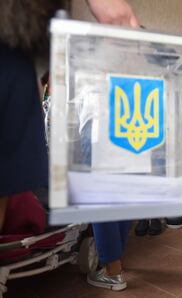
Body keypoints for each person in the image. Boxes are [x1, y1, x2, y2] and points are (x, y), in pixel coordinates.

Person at [0, 0, 139, 291]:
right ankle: (115, 265)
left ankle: (112, 268)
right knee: (122, 196)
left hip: (98, 131)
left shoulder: (90, 62)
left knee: (100, 198)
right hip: (125, 136)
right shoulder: (130, 65)